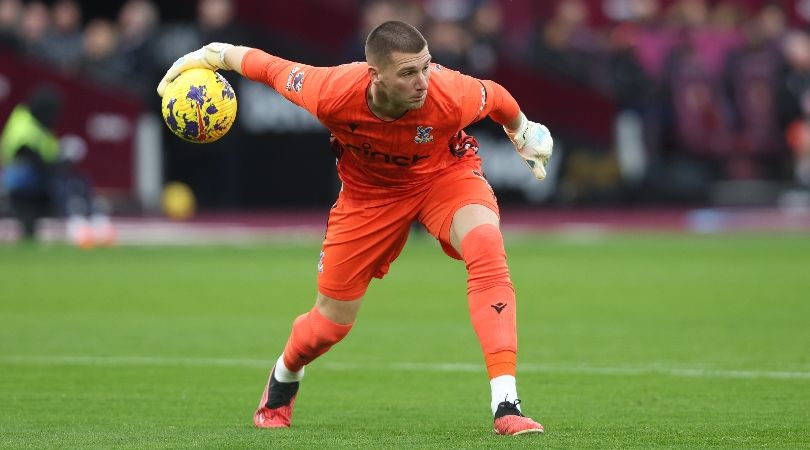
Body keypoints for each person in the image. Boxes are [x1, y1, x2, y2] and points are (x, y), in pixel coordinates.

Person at [156, 21, 553, 436]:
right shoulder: (330, 91)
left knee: (486, 244)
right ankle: (286, 373)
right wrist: (210, 55)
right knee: (330, 325)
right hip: (368, 198)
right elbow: (268, 67)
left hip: (444, 176)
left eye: (426, 66)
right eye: (408, 73)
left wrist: (522, 131)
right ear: (375, 74)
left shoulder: (449, 92)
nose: (423, 82)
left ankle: (506, 403)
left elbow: (498, 97)